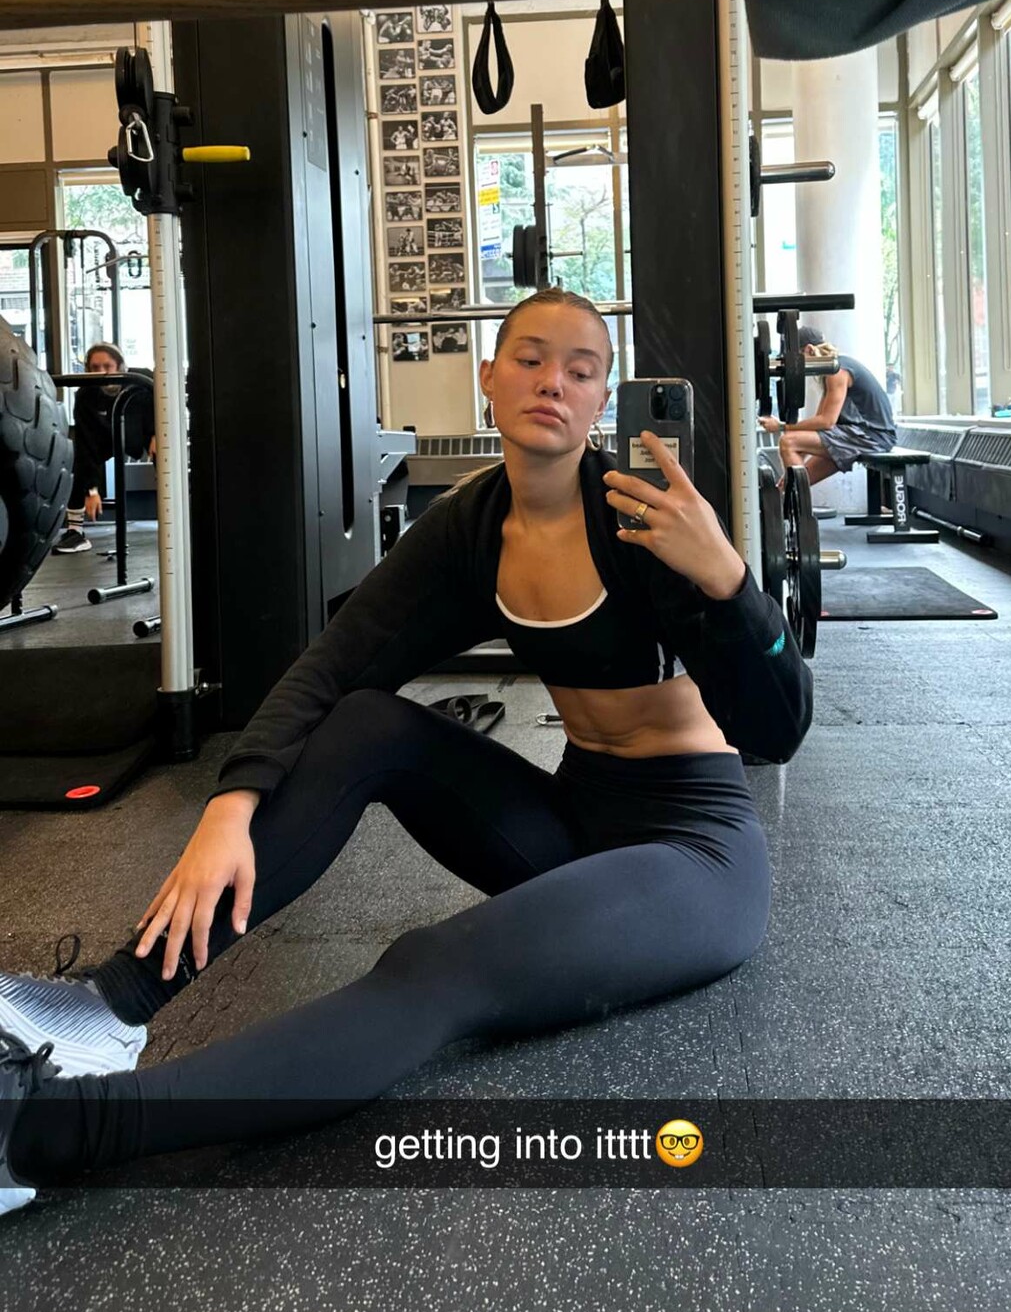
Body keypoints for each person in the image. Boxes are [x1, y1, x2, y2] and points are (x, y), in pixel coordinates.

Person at [0, 289, 812, 1216]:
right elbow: (334, 667)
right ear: (489, 379)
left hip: (693, 853)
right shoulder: (472, 528)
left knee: (435, 965)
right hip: (576, 820)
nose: (553, 382)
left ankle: (43, 1135)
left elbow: (778, 729)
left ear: (602, 399)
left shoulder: (640, 524)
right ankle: (106, 1008)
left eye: (582, 370)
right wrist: (231, 803)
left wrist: (731, 582)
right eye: (531, 360)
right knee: (368, 723)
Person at [51, 342, 156, 555]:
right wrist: (91, 490)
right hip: (105, 435)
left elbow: (164, 406)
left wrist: (157, 433)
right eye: (95, 367)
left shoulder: (143, 380)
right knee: (77, 460)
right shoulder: (85, 395)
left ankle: (181, 519)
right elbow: (87, 444)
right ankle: (75, 532)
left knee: (166, 454)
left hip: (142, 432)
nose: (101, 372)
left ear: (120, 366)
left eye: (107, 366)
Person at [759, 325, 897, 486]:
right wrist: (789, 476)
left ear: (809, 350)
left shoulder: (838, 371)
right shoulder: (831, 370)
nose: (795, 368)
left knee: (788, 442)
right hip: (858, 434)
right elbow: (819, 423)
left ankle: (797, 499)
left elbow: (827, 422)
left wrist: (781, 426)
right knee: (793, 483)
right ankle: (793, 497)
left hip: (872, 437)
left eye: (796, 360)